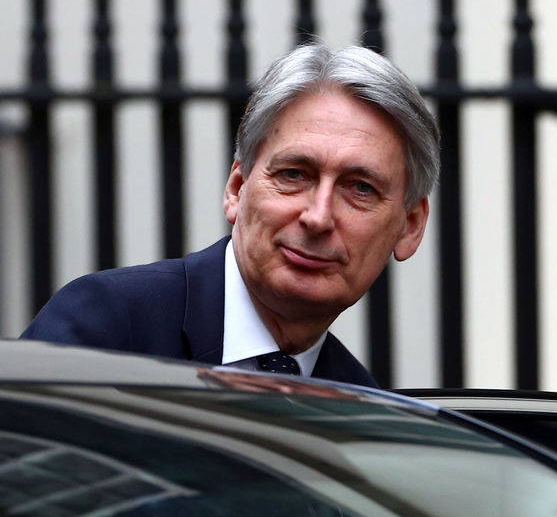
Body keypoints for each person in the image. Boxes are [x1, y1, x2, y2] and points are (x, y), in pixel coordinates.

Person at [20, 43, 440, 388]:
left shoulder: (362, 407)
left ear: (410, 226)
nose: (318, 217)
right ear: (237, 189)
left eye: (360, 188)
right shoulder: (107, 329)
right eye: (294, 174)